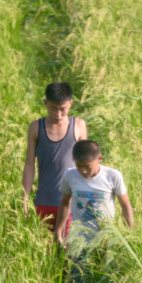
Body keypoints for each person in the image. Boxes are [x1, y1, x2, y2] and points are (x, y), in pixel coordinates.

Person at [22, 82, 88, 235]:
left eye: (63, 109)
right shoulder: (36, 127)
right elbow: (29, 166)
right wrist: (24, 200)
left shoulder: (78, 126)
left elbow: (85, 164)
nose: (58, 114)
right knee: (44, 250)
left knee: (69, 251)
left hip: (72, 203)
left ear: (70, 104)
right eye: (53, 109)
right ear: (45, 103)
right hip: (44, 201)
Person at [54, 140, 134, 245]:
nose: (83, 170)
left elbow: (125, 206)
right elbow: (65, 203)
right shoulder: (69, 175)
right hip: (78, 241)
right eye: (78, 165)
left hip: (105, 240)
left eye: (87, 166)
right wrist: (58, 232)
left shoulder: (113, 176)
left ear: (99, 158)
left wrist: (128, 236)